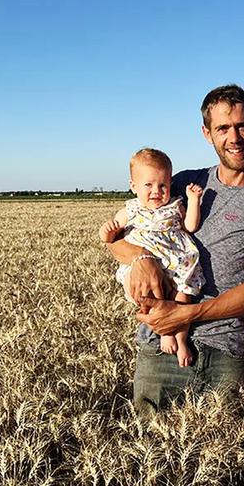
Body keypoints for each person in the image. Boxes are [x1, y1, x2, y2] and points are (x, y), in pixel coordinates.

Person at [106, 84, 244, 414]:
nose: (233, 137)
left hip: (225, 351)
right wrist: (141, 257)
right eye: (223, 128)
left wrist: (187, 314)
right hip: (158, 342)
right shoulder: (179, 183)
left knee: (224, 457)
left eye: (242, 126)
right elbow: (117, 240)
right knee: (150, 447)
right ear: (207, 133)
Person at [99, 148, 205, 367]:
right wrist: (107, 231)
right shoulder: (131, 209)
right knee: (148, 295)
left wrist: (194, 200)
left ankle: (181, 340)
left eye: (163, 185)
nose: (156, 191)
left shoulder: (175, 205)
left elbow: (191, 226)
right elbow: (110, 238)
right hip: (144, 267)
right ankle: (165, 330)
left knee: (182, 296)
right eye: (148, 185)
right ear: (133, 186)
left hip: (177, 263)